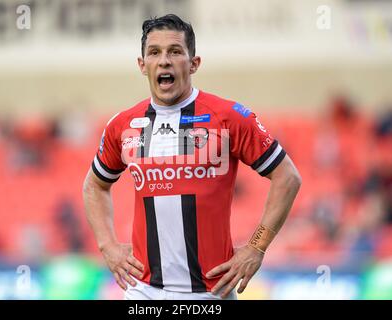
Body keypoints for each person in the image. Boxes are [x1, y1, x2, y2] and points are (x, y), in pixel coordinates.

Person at [83, 14, 302, 300]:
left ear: (194, 63)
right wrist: (107, 246)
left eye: (175, 51)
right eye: (154, 52)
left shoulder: (229, 117)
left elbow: (288, 177)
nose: (164, 61)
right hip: (143, 293)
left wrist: (256, 247)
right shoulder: (123, 125)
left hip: (211, 294)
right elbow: (94, 186)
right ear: (142, 65)